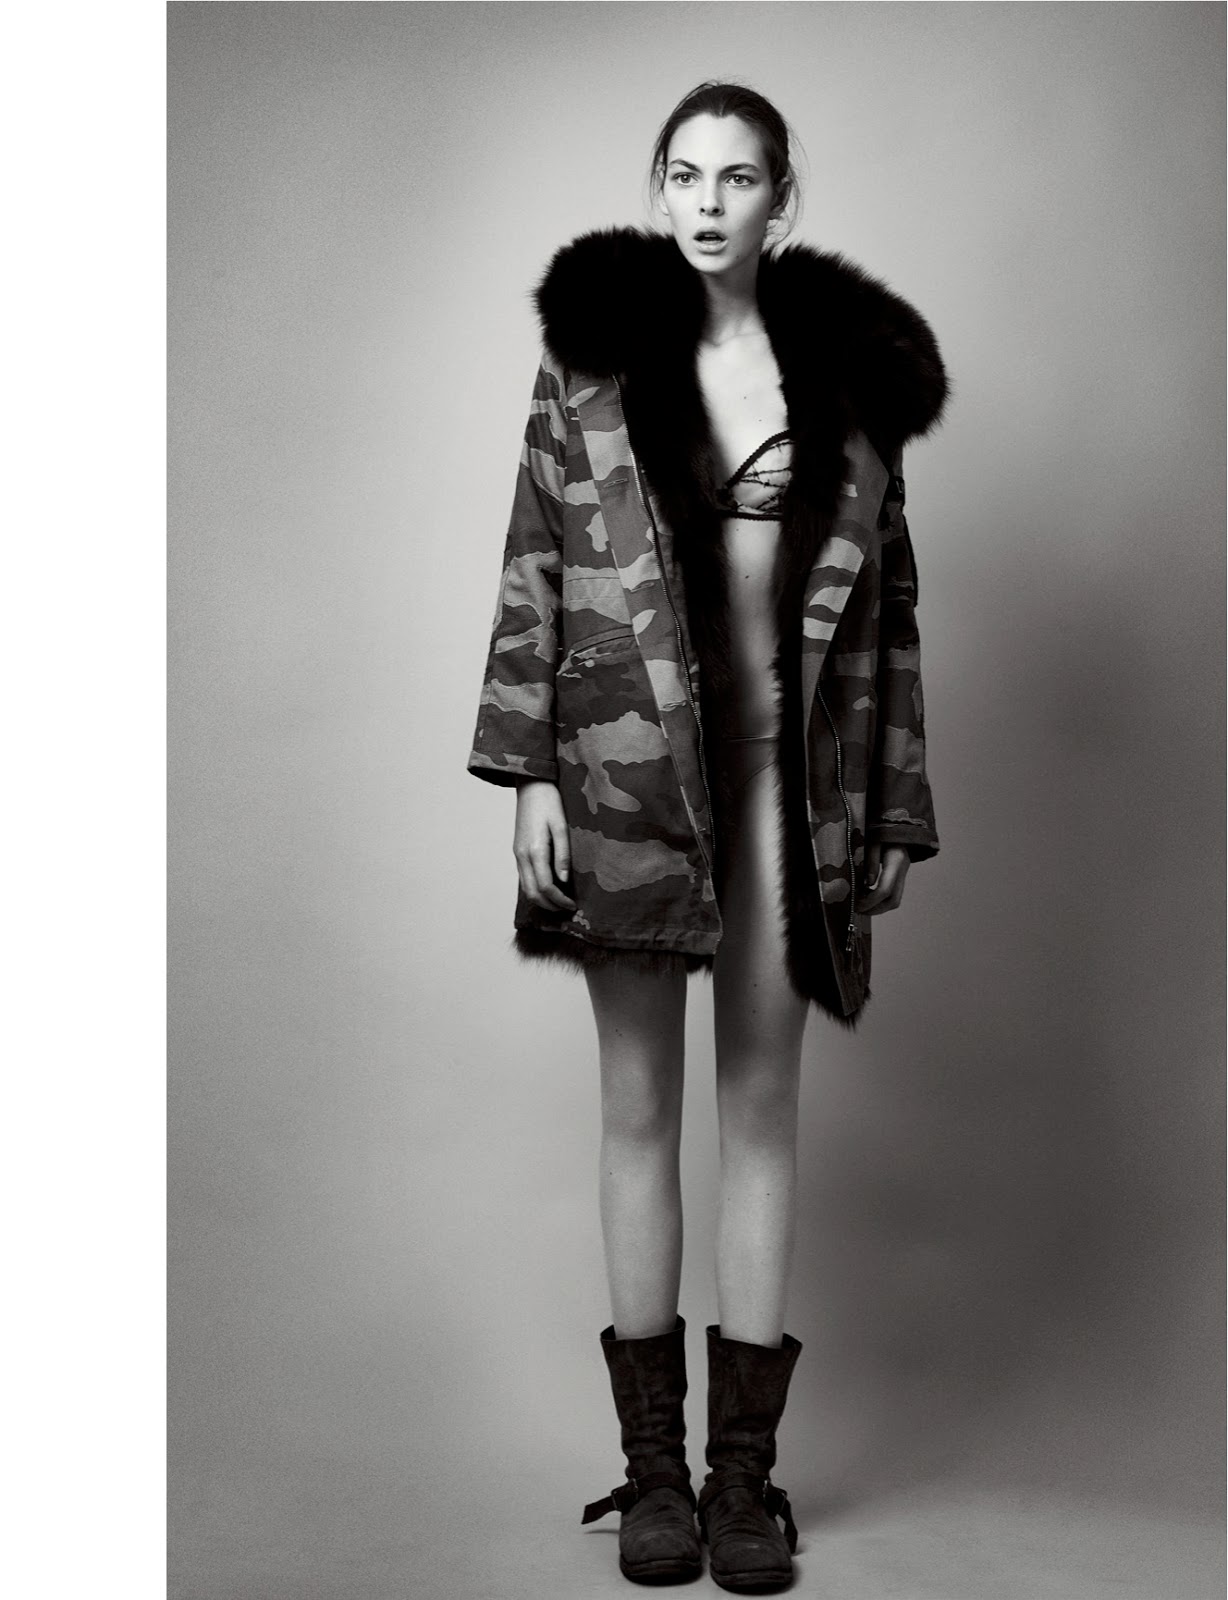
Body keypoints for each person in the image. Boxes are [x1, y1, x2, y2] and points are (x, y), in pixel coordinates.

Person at [467, 81, 946, 1593]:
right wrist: (531, 776)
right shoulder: (590, 372)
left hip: (785, 794)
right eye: (685, 175)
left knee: (760, 1108)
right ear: (659, 188)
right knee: (635, 1112)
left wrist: (894, 801)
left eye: (739, 179)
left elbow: (890, 612)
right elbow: (535, 567)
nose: (709, 203)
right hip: (627, 791)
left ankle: (744, 1481)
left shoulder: (850, 383)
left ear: (780, 199)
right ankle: (656, 1476)